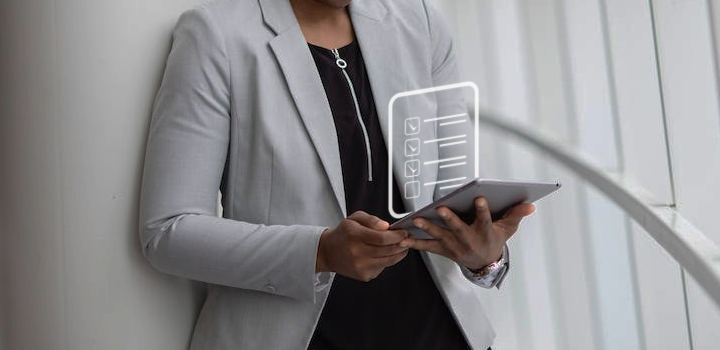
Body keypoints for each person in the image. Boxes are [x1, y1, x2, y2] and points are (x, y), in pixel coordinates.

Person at [139, 0, 535, 349]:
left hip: (439, 334)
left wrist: (484, 258)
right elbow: (168, 231)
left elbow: (454, 199)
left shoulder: (421, 21)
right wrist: (320, 251)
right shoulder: (217, 35)